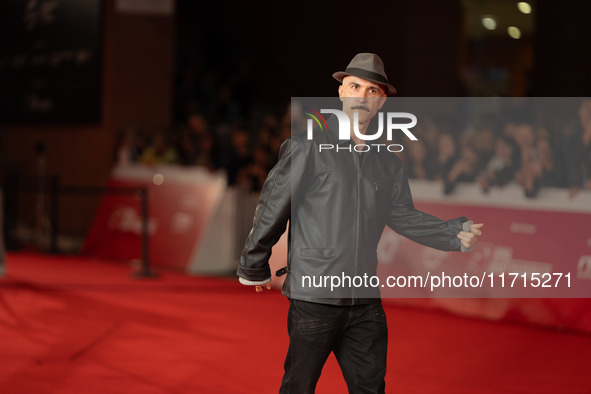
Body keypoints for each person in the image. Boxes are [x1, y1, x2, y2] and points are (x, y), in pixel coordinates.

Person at [236, 53, 483, 393]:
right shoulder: (307, 146)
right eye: (354, 87)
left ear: (381, 100)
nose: (362, 97)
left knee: (371, 388)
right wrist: (254, 264)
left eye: (372, 90)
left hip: (364, 300)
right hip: (315, 297)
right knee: (299, 387)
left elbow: (403, 216)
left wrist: (451, 233)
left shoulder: (388, 163)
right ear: (341, 92)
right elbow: (273, 206)